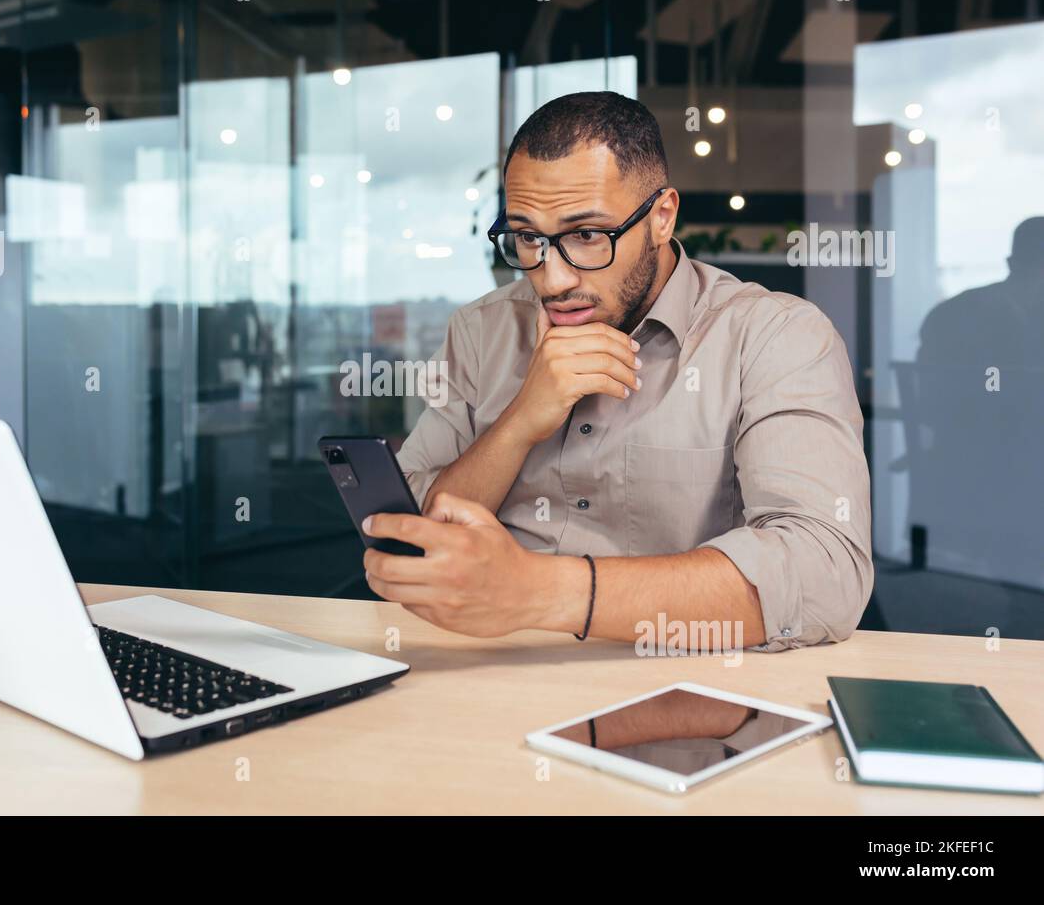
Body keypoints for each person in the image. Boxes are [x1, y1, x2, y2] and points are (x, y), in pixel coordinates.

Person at [365, 91, 872, 651]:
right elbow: (409, 542)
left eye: (587, 235)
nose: (551, 279)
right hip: (486, 678)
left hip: (684, 700)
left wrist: (539, 592)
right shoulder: (481, 331)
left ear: (661, 217)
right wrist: (519, 422)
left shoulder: (775, 337)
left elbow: (825, 575)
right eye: (528, 237)